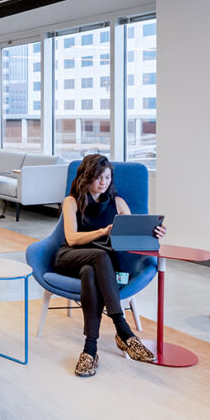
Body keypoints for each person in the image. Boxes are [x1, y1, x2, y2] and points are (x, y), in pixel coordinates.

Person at [55, 154, 166, 377]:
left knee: (91, 271)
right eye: (97, 177)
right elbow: (71, 239)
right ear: (86, 178)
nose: (103, 182)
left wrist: (155, 233)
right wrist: (103, 231)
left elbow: (135, 235)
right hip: (70, 258)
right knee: (96, 257)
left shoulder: (118, 203)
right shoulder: (72, 201)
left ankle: (90, 349)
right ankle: (123, 330)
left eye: (107, 177)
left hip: (103, 269)